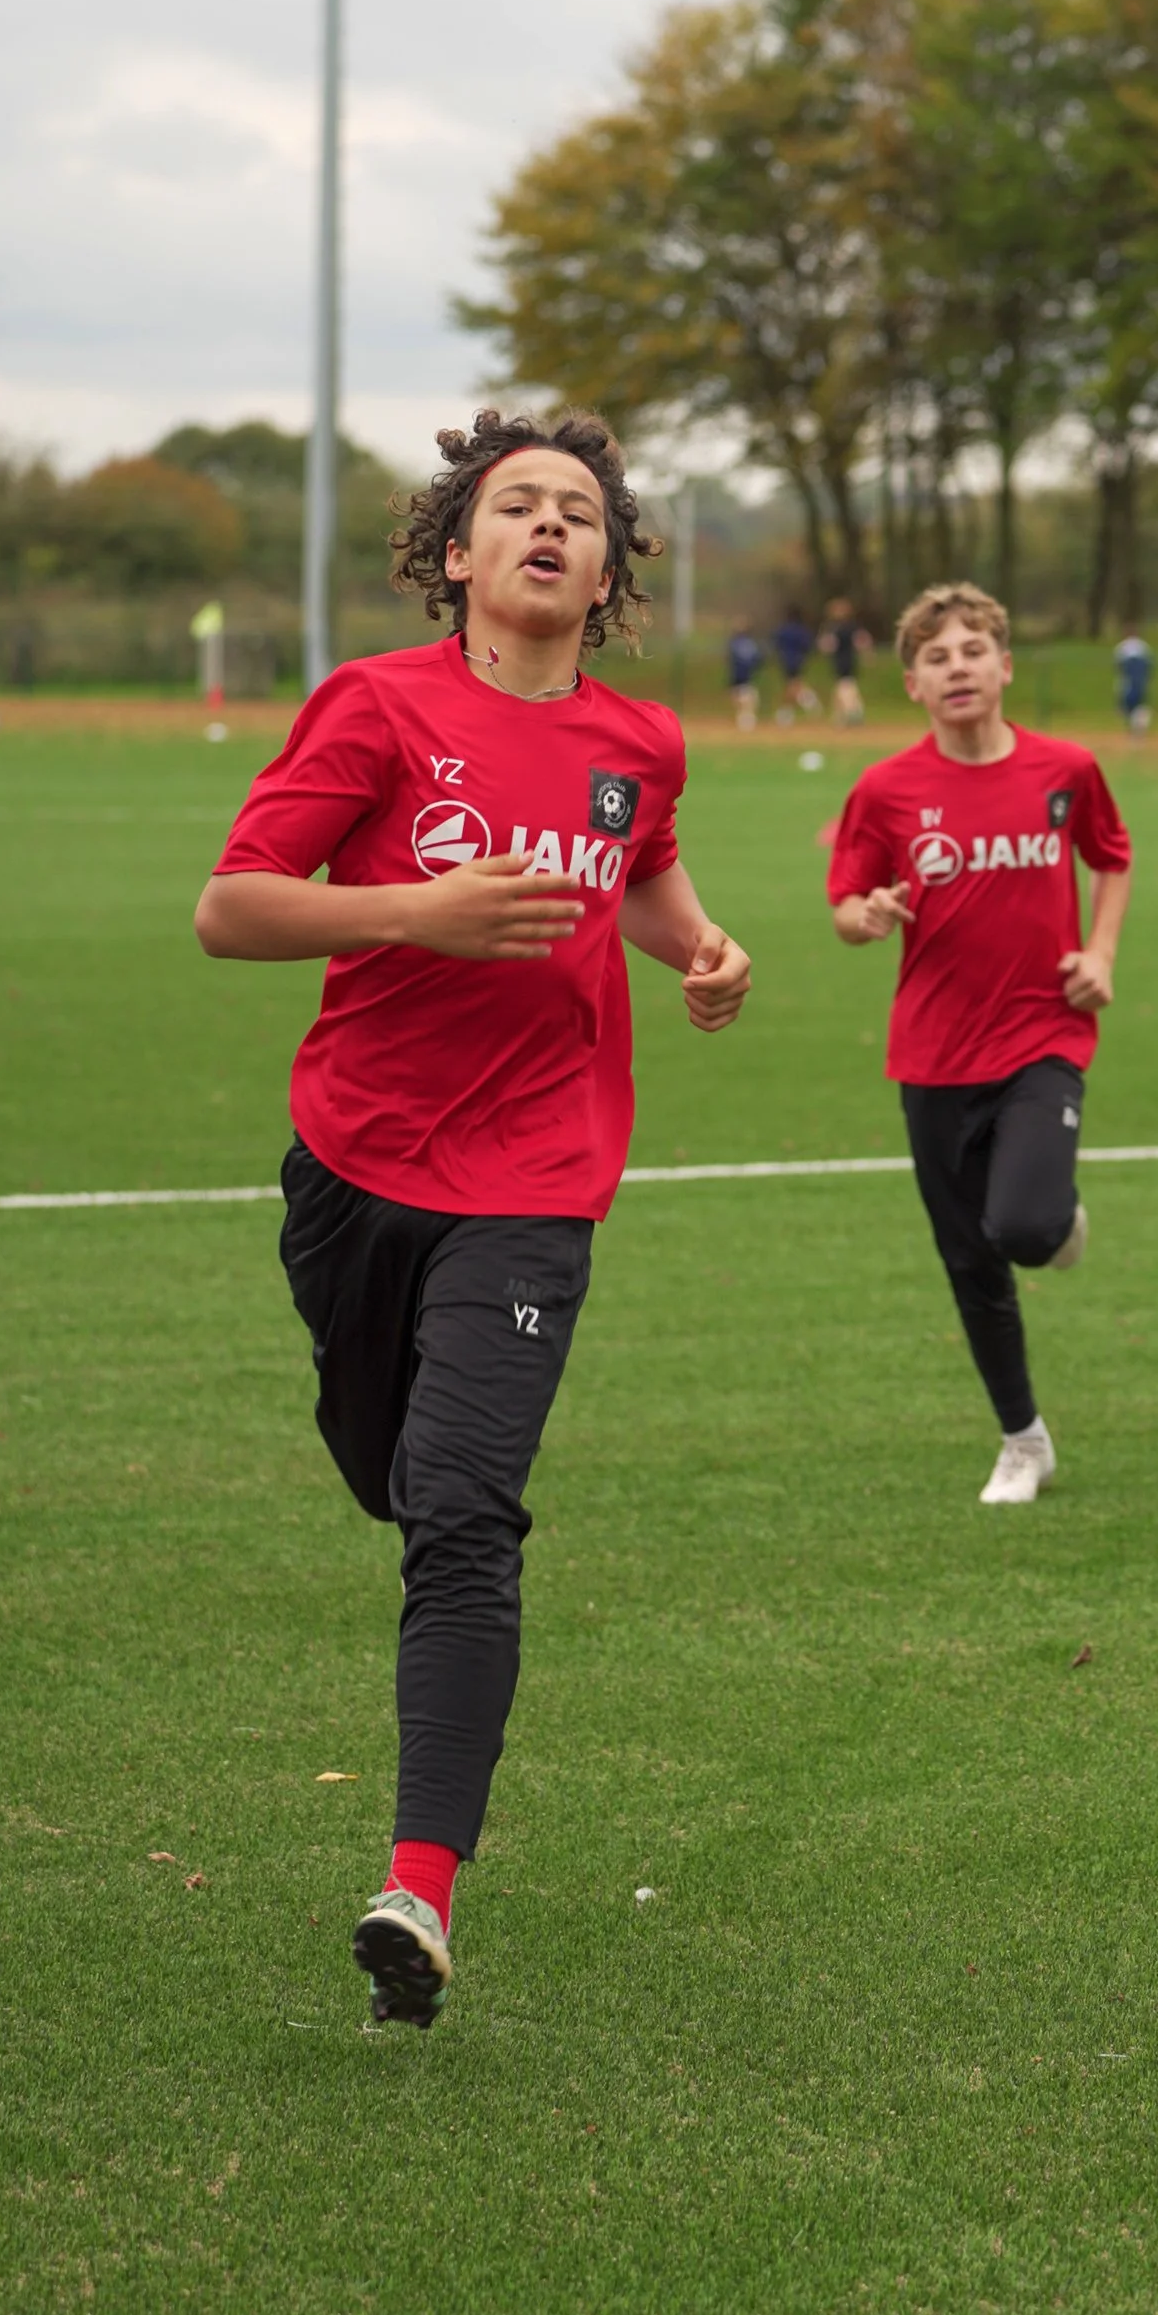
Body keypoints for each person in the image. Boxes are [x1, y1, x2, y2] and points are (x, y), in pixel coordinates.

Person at [191, 408, 753, 2030]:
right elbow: (233, 909)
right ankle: (402, 1472)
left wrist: (700, 949)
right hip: (356, 1166)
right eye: (519, 506)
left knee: (459, 1518)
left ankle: (419, 1890)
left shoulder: (639, 743)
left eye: (581, 512)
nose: (551, 529)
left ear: (609, 570)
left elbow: (639, 870)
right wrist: (414, 914)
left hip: (535, 1178)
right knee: (387, 1473)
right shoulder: (376, 707)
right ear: (459, 552)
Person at [828, 582, 1132, 1507]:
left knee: (1029, 1231)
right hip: (932, 1054)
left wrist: (1101, 952)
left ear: (1004, 667)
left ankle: (1056, 1217)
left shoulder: (1067, 770)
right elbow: (844, 906)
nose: (956, 667)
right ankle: (1023, 1439)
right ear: (913, 684)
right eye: (935, 656)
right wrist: (869, 915)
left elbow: (1110, 856)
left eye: (972, 651)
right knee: (972, 1263)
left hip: (1044, 1033)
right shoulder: (885, 791)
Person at [823, 598, 870, 726]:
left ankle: (853, 712)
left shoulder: (836, 628)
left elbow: (828, 644)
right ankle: (840, 716)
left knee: (845, 688)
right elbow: (862, 641)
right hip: (845, 660)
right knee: (843, 688)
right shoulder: (850, 626)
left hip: (844, 661)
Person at [773, 604, 815, 724]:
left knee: (792, 684)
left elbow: (777, 644)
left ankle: (805, 701)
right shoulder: (802, 630)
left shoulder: (783, 630)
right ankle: (805, 701)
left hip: (786, 660)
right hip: (799, 660)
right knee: (794, 684)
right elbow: (807, 646)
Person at [726, 617, 764, 732]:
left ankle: (746, 720)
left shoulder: (738, 643)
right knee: (742, 698)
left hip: (742, 676)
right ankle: (745, 719)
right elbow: (758, 659)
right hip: (742, 676)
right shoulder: (744, 643)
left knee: (745, 699)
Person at [1115, 630, 1154, 733]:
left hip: (1131, 676)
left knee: (1131, 701)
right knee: (1138, 702)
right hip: (1137, 677)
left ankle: (1135, 725)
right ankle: (1136, 725)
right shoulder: (1143, 645)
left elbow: (1118, 665)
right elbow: (1149, 664)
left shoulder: (1123, 646)